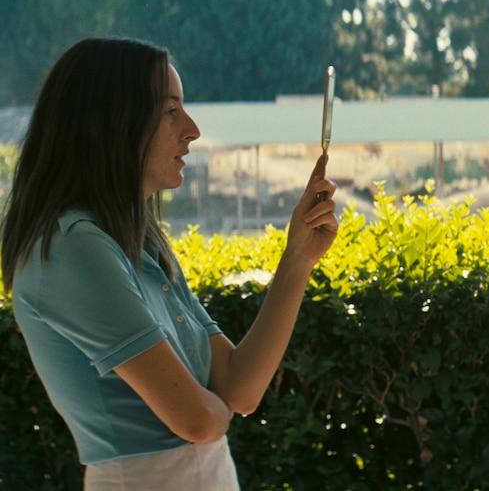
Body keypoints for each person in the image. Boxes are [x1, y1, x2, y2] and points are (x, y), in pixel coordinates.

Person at [0, 37, 338, 490]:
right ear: (110, 122)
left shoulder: (135, 244)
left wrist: (298, 258)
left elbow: (240, 389)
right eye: (170, 111)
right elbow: (199, 420)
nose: (192, 129)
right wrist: (215, 414)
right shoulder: (72, 247)